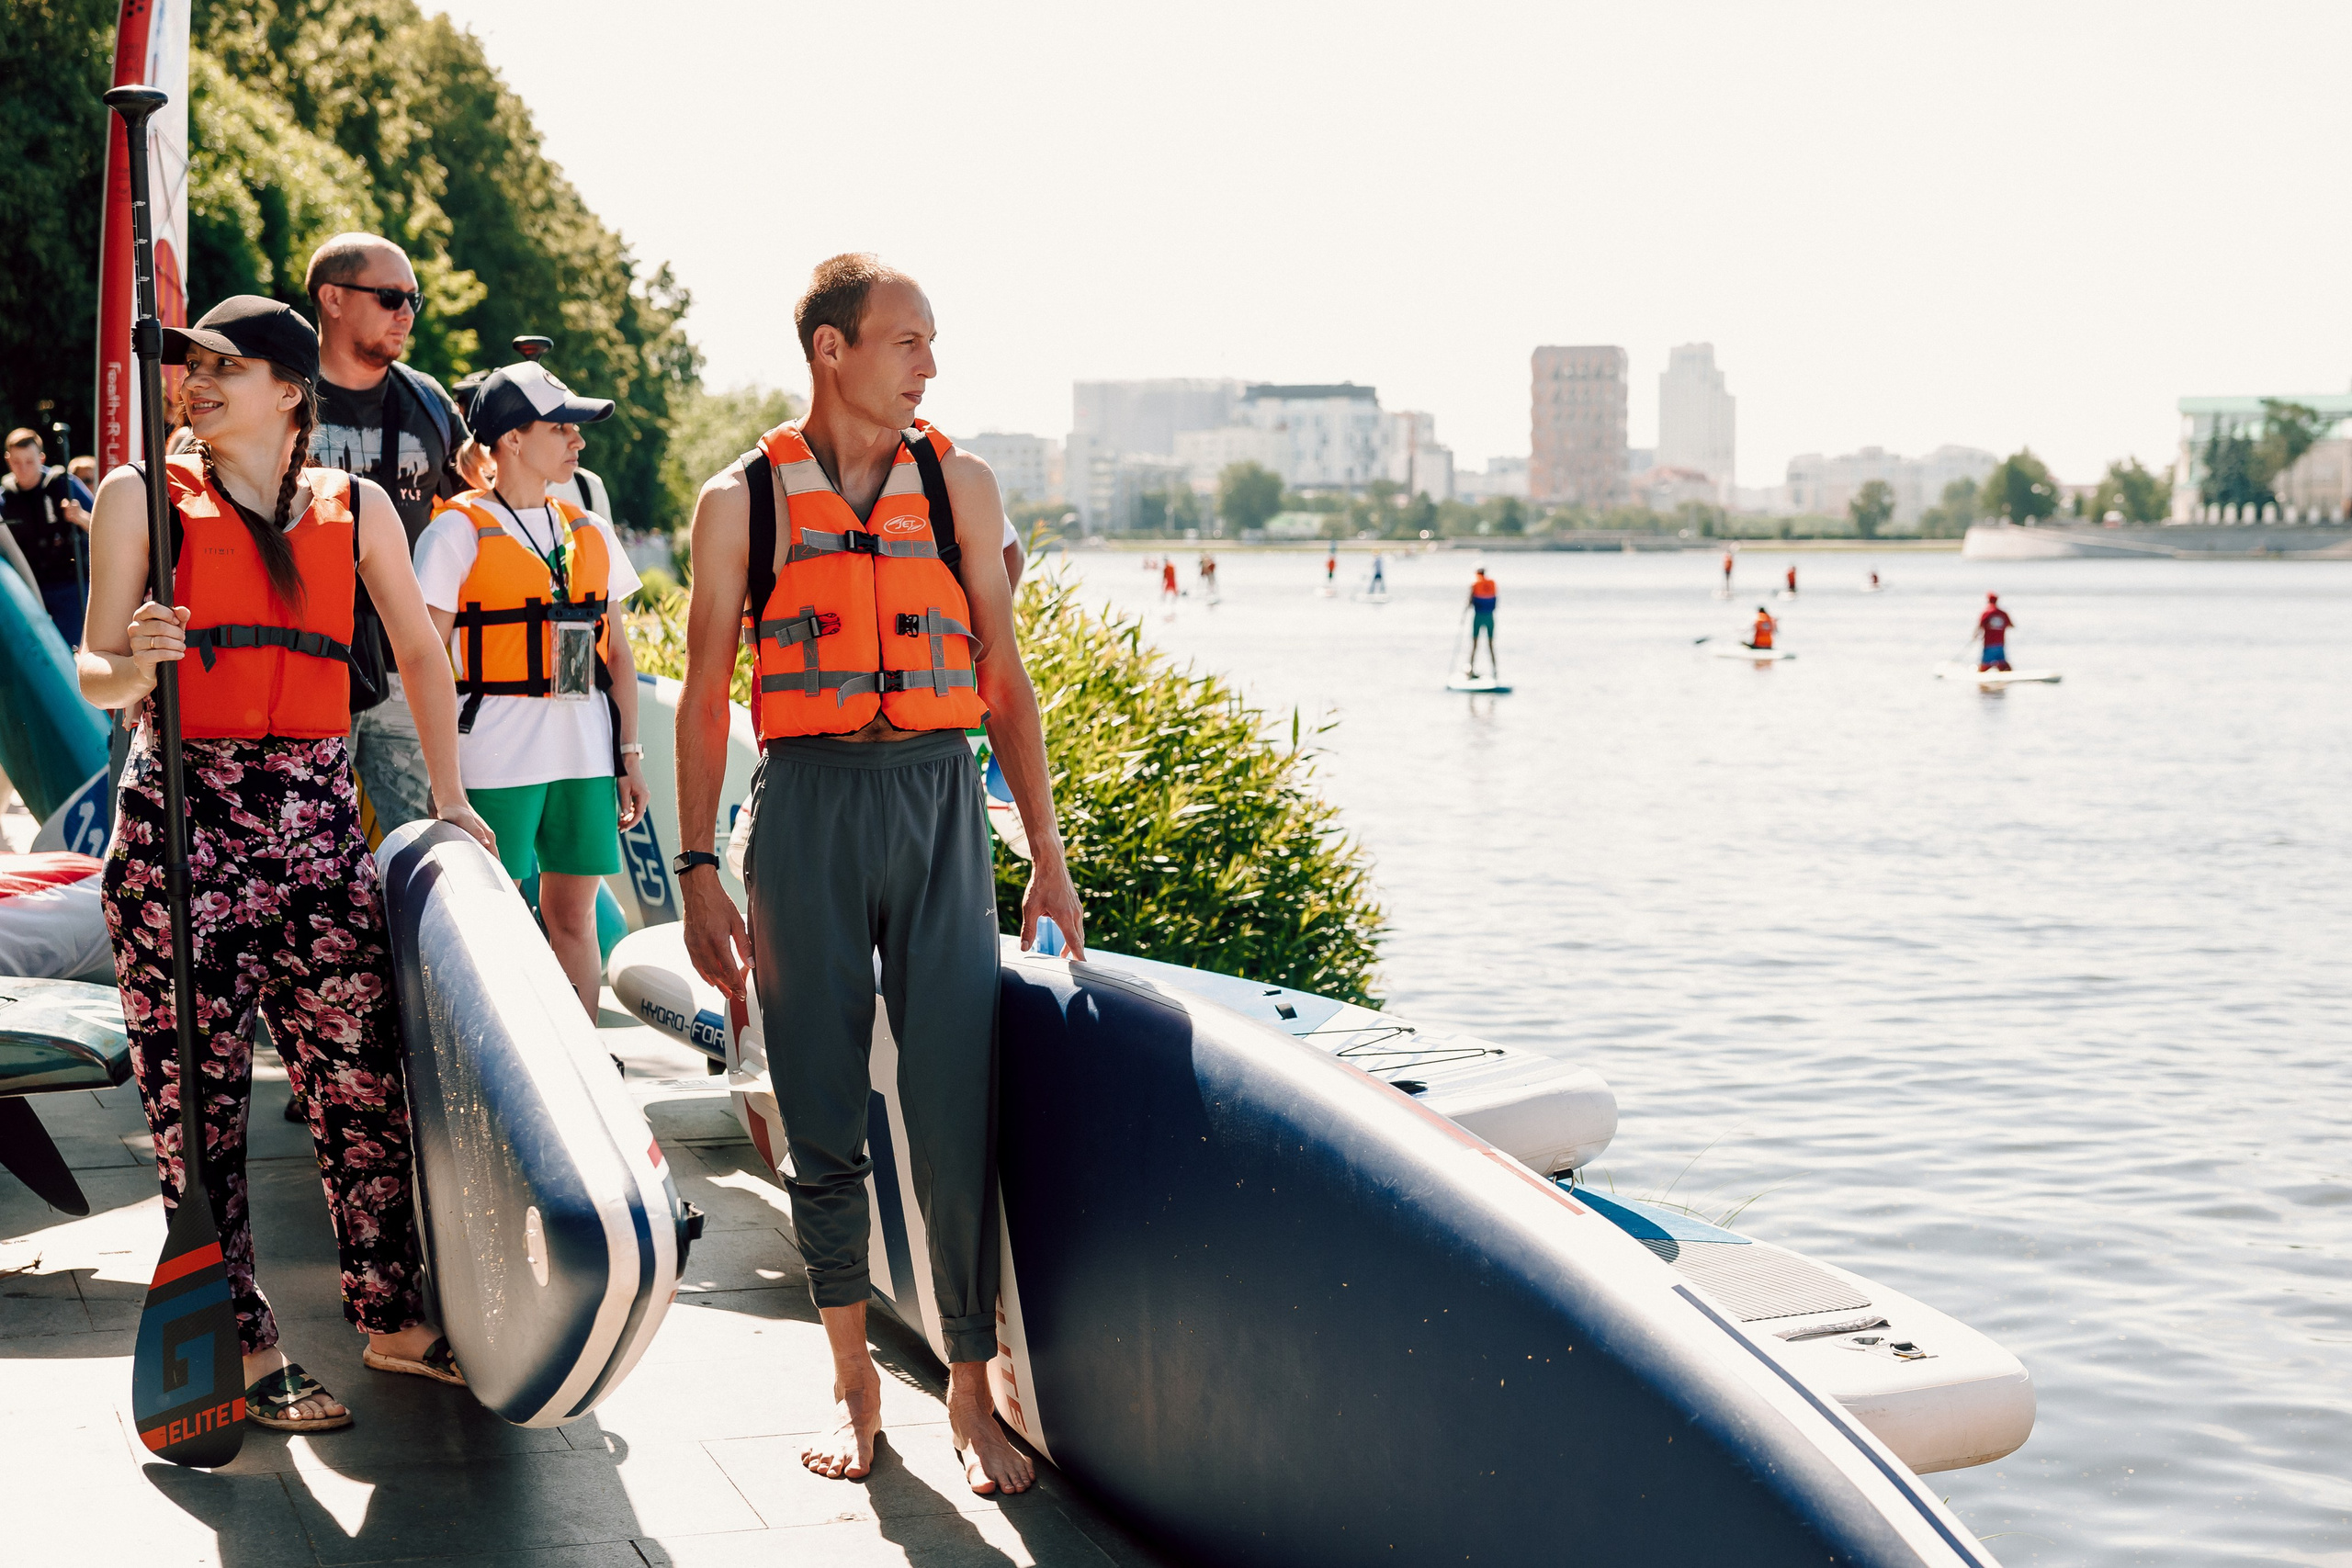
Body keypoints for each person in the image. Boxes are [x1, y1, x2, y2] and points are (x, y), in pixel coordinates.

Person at [675, 254, 1085, 1498]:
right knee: (820, 1109)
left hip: (939, 801)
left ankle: (969, 1382)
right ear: (833, 350)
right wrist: (698, 864)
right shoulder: (738, 499)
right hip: (805, 808)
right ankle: (854, 1378)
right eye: (909, 340)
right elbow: (701, 698)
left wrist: (1049, 860)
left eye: (932, 342)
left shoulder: (958, 482)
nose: (929, 364)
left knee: (955, 1100)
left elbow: (1003, 681)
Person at [75, 296, 497, 1434]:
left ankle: (391, 1319)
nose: (195, 384)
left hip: (314, 816)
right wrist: (136, 662)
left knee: (361, 1087)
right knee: (196, 1113)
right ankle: (246, 1345)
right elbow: (93, 670)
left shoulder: (353, 507)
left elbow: (418, 647)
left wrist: (451, 800)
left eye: (224, 366)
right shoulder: (141, 498)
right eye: (185, 367)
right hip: (183, 820)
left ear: (290, 388)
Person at [412, 361, 650, 1016]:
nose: (578, 441)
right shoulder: (454, 532)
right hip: (493, 750)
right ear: (512, 439)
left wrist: (628, 755)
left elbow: (618, 656)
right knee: (493, 917)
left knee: (574, 916)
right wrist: (445, 785)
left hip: (582, 751)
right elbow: (423, 659)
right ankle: (502, 1066)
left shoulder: (589, 530)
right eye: (562, 427)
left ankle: (583, 1062)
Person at [303, 233, 472, 835]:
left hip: (407, 655)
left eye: (413, 300)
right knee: (308, 835)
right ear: (333, 299)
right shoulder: (280, 391)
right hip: (307, 653)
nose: (405, 312)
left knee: (416, 838)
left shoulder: (428, 401)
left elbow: (472, 506)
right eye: (389, 296)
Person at [1, 427, 95, 644]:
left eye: (29, 461)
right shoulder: (4, 498)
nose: (22, 468)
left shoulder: (64, 484)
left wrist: (79, 516)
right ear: (7, 460)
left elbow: (103, 528)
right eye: (16, 462)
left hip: (70, 588)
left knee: (70, 647)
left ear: (41, 458)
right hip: (27, 592)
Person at [1465, 568, 1498, 677]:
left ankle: (1470, 670)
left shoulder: (1475, 584)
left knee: (1474, 644)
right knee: (1491, 645)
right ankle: (1495, 671)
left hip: (1479, 616)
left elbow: (1469, 602)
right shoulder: (1492, 583)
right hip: (1490, 617)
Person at [1976, 592, 2014, 671]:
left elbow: (1980, 626)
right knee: (2003, 666)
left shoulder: (1986, 613)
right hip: (2000, 642)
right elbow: (2011, 625)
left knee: (1984, 666)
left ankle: (1980, 680)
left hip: (1989, 643)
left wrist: (1975, 635)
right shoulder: (2003, 613)